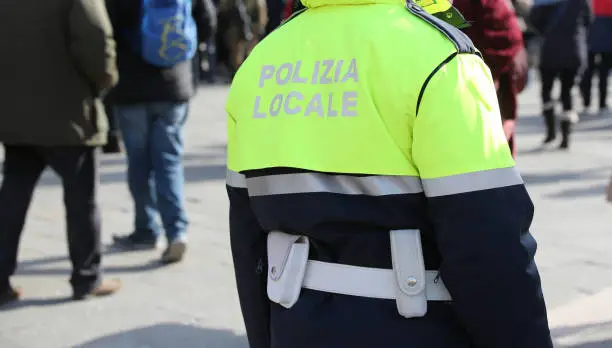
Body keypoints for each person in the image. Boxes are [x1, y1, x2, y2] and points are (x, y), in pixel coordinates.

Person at [225, 0, 553, 347]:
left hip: (295, 328)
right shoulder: (441, 59)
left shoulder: (261, 62)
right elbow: (489, 248)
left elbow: (248, 244)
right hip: (419, 327)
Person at [0, 0, 121, 306]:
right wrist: (105, 80)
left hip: (15, 114)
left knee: (11, 199)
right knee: (82, 201)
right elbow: (96, 41)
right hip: (70, 112)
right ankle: (86, 277)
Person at [106, 0, 216, 263]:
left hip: (132, 86)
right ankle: (176, 231)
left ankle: (146, 229)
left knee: (139, 161)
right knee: (169, 161)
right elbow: (207, 21)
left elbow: (106, 27)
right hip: (174, 83)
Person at [453, 0, 528, 157]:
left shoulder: (460, 6)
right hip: (494, 72)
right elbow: (512, 35)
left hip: (469, 73)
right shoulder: (498, 6)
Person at [530, 0, 592, 149]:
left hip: (549, 51)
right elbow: (588, 20)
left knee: (546, 90)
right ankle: (566, 135)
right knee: (567, 92)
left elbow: (534, 21)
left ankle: (551, 131)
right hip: (573, 49)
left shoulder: (541, 2)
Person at [579, 0, 612, 116]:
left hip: (589, 40)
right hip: (607, 41)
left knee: (588, 71)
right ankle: (602, 104)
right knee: (603, 74)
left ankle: (586, 103)